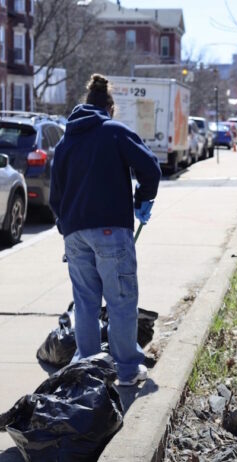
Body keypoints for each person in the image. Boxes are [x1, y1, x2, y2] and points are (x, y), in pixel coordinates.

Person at [50, 74, 161, 386]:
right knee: (121, 299)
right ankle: (126, 370)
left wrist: (67, 226)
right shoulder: (113, 131)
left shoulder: (65, 141)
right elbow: (149, 167)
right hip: (111, 229)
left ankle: (88, 370)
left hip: (74, 233)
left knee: (85, 303)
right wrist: (144, 199)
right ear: (110, 107)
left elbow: (55, 197)